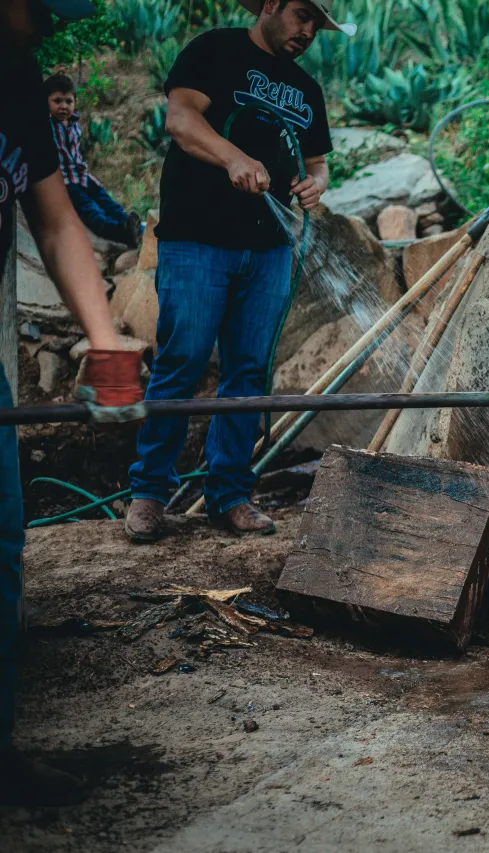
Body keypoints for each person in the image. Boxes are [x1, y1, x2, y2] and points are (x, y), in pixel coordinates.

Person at [124, 0, 352, 542]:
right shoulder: (216, 50)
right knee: (181, 361)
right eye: (301, 15)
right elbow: (180, 119)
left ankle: (229, 494)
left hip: (270, 248)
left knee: (249, 372)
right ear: (270, 4)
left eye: (317, 24)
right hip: (197, 241)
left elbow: (317, 162)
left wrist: (316, 182)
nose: (308, 30)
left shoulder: (306, 90)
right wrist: (232, 157)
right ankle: (150, 493)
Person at [1, 0, 143, 806]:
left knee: (1, 540)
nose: (54, 20)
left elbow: (54, 219)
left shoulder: (19, 80)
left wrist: (106, 337)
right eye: (44, 4)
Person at [46, 73, 141, 248]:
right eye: (57, 101)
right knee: (92, 211)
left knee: (107, 201)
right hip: (66, 182)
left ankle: (133, 226)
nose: (63, 107)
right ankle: (120, 233)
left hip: (83, 177)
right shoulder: (47, 125)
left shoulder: (74, 123)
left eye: (68, 101)